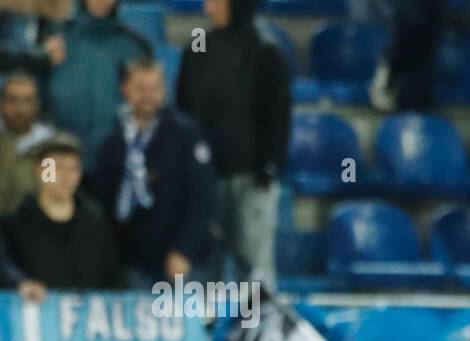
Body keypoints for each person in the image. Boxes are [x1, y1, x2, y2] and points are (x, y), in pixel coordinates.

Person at [176, 0, 290, 289]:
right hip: (205, 178)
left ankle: (260, 329)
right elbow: (183, 111)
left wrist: (270, 164)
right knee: (203, 265)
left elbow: (278, 115)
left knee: (255, 267)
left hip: (251, 177)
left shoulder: (266, 51)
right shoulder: (198, 48)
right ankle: (205, 329)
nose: (206, 6)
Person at [91, 57, 216, 288]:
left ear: (164, 91)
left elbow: (204, 199)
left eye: (155, 88)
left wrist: (184, 250)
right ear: (125, 89)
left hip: (181, 261)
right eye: (140, 88)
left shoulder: (187, 135)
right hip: (132, 260)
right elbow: (103, 201)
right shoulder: (112, 141)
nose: (148, 95)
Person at [0, 133, 117, 296]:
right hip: (33, 316)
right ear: (39, 169)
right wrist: (21, 284)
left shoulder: (96, 222)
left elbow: (112, 276)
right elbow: (5, 270)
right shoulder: (15, 224)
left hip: (89, 316)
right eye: (57, 167)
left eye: (73, 168)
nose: (66, 176)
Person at [44, 0, 149, 174]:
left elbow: (148, 103)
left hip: (117, 162)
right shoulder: (56, 39)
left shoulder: (133, 45)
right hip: (62, 159)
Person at [1, 71, 54, 154]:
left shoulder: (50, 143)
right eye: (12, 100)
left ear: (37, 105)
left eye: (28, 101)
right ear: (2, 103)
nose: (20, 109)